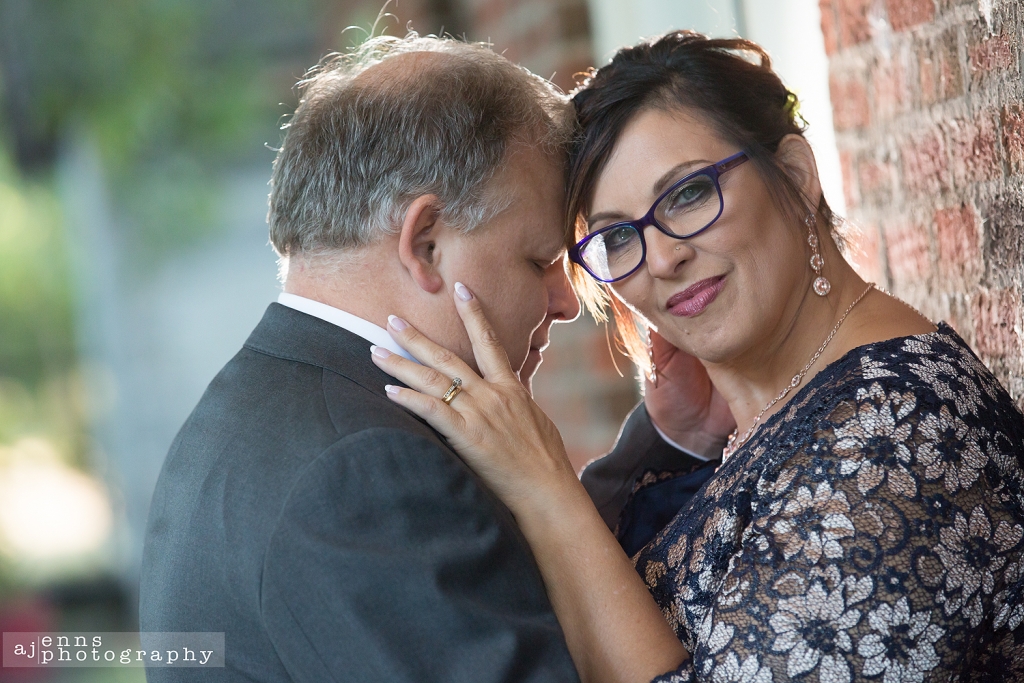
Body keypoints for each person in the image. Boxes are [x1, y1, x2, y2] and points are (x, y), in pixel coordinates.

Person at [373, 31, 1024, 682]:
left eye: (688, 194)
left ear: (795, 177)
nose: (662, 257)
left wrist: (546, 489)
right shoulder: (760, 418)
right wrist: (666, 442)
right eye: (618, 236)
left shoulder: (901, 432)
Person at [139, 34, 586, 682]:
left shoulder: (233, 427)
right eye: (538, 260)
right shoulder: (367, 469)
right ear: (426, 244)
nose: (566, 299)